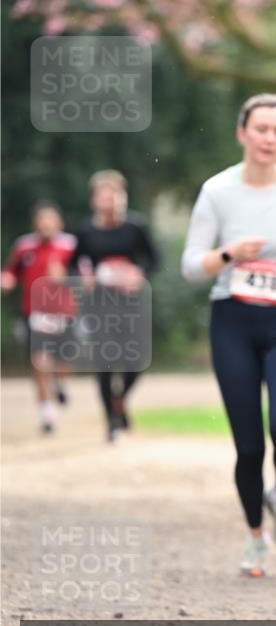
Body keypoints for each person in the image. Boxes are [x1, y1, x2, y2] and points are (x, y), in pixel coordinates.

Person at [181, 93, 276, 578]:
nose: (270, 138)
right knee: (249, 446)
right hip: (233, 320)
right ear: (242, 133)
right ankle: (254, 538)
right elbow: (190, 265)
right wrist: (229, 254)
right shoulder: (218, 191)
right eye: (261, 129)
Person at [69, 170, 160, 442]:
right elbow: (73, 263)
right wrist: (82, 276)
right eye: (104, 194)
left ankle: (120, 399)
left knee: (137, 361)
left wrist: (139, 273)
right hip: (100, 304)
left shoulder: (136, 226)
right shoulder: (86, 231)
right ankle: (111, 421)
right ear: (94, 200)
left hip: (132, 304)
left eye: (115, 194)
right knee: (104, 363)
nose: (110, 200)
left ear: (123, 196)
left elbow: (154, 258)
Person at [2, 202, 76, 433]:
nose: (45, 224)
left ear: (59, 223)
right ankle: (47, 415)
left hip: (64, 312)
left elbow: (83, 275)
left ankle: (60, 383)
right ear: (35, 223)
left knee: (63, 361)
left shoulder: (70, 246)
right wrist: (7, 280)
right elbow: (11, 271)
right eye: (41, 220)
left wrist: (65, 277)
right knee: (40, 361)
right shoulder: (24, 247)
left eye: (50, 219)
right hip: (35, 313)